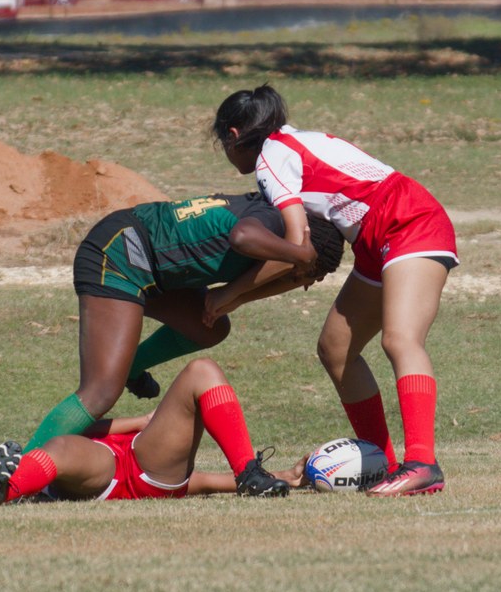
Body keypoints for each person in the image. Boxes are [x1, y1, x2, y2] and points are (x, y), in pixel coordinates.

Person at [207, 84, 460, 497]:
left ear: (233, 136)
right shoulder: (297, 139)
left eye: (223, 143)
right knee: (336, 348)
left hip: (408, 222)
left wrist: (228, 294)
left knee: (400, 339)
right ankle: (383, 463)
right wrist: (236, 297)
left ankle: (422, 464)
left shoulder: (271, 157)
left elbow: (295, 247)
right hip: (376, 237)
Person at [19, 191, 343, 455]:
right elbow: (242, 236)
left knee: (211, 327)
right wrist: (301, 257)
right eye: (311, 274)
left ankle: (132, 366)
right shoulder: (270, 226)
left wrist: (234, 295)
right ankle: (13, 474)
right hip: (120, 254)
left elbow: (250, 284)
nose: (303, 283)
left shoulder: (274, 223)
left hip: (153, 269)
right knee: (101, 391)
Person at [0, 357, 303, 506]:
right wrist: (142, 421)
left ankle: (6, 487)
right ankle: (7, 487)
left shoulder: (173, 472)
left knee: (61, 445)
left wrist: (285, 476)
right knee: (61, 444)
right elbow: (84, 430)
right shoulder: (170, 476)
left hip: (132, 466)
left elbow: (210, 482)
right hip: (128, 469)